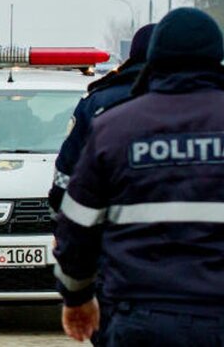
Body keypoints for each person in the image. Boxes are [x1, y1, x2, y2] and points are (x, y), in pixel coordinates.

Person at [54, 8, 224, 346]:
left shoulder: (113, 128)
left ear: (154, 59)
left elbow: (76, 228)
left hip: (138, 325)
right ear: (217, 59)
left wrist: (76, 297)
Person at [49, 23, 154, 213]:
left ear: (133, 54)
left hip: (109, 221)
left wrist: (61, 211)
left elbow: (67, 169)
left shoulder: (96, 102)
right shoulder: (188, 101)